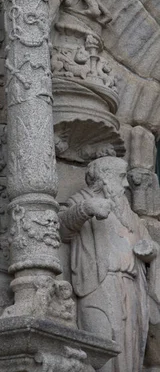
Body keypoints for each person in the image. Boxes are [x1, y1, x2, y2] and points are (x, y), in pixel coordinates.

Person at [59, 156, 158, 372]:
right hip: (99, 284)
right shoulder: (81, 199)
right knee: (101, 348)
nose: (125, 184)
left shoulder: (129, 214)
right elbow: (63, 229)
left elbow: (148, 245)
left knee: (129, 350)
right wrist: (87, 209)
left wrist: (150, 250)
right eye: (121, 177)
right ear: (104, 177)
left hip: (131, 287)